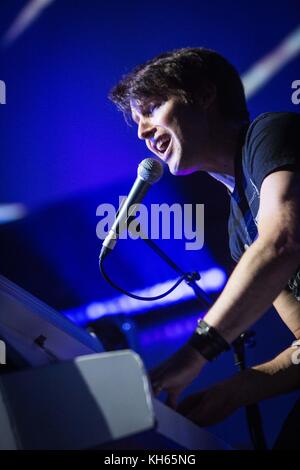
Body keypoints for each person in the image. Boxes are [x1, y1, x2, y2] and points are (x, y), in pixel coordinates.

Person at [109, 48, 300, 447]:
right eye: (137, 120)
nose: (142, 130)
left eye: (153, 107)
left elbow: (282, 243)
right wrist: (232, 393)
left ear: (204, 95)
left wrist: (194, 354)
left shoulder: (270, 133)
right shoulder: (239, 230)